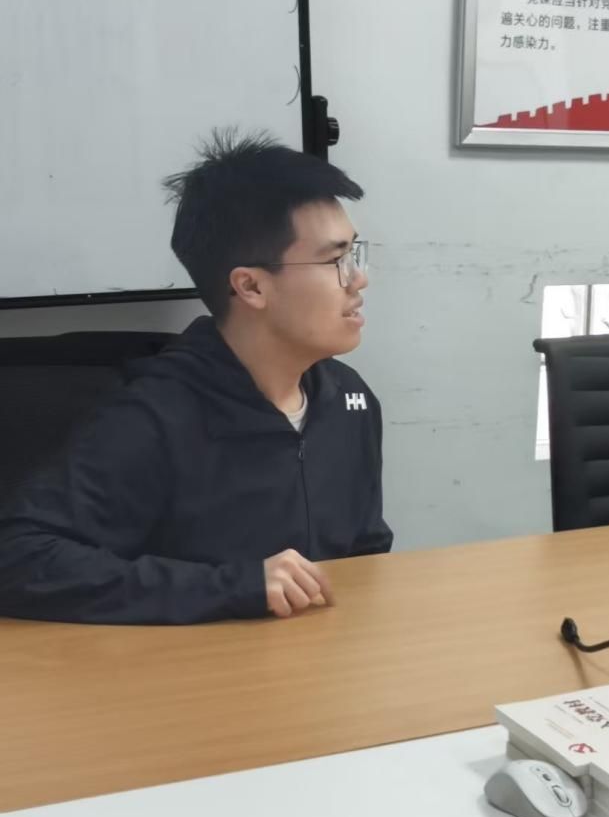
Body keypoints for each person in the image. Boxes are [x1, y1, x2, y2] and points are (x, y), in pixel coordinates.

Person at [0, 130, 392, 624]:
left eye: (354, 254)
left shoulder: (350, 398)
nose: (358, 279)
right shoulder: (155, 415)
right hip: (194, 664)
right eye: (335, 260)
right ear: (250, 286)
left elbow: (364, 556)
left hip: (319, 656)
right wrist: (236, 586)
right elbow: (20, 558)